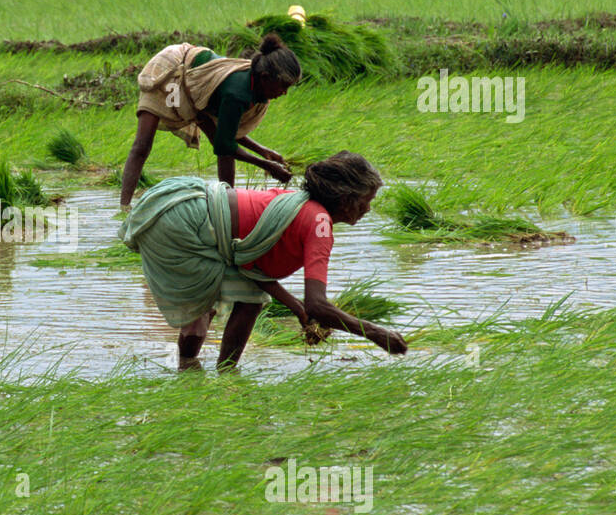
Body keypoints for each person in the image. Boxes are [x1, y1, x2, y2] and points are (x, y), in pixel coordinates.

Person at [119, 151, 408, 370]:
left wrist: (295, 307)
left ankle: (222, 374)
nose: (368, 209)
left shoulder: (302, 205)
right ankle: (190, 374)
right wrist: (376, 333)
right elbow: (317, 305)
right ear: (346, 198)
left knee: (250, 299)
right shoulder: (320, 223)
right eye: (366, 200)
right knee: (200, 312)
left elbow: (250, 266)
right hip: (181, 222)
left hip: (184, 206)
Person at [120, 32, 302, 209]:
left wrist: (263, 151)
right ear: (265, 78)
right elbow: (224, 145)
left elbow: (226, 134)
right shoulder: (237, 93)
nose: (284, 92)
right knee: (142, 145)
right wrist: (266, 165)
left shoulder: (256, 87)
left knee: (224, 147)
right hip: (172, 69)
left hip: (198, 90)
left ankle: (227, 203)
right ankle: (124, 207)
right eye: (284, 86)